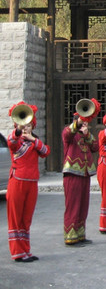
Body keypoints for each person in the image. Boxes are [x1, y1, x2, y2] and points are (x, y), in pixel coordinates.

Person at [6, 103, 49, 262]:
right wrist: (18, 131)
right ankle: (17, 252)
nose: (25, 127)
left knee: (26, 218)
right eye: (21, 125)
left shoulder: (34, 142)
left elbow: (45, 152)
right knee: (16, 217)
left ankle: (26, 250)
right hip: (17, 181)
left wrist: (32, 139)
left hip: (32, 182)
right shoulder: (16, 141)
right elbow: (11, 142)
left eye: (28, 125)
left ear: (33, 126)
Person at [62, 101, 100, 246]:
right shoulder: (69, 133)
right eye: (82, 122)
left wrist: (88, 134)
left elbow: (95, 147)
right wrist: (78, 124)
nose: (85, 125)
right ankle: (70, 236)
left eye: (86, 123)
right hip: (73, 173)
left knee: (83, 205)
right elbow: (67, 134)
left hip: (85, 173)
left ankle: (80, 234)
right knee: (73, 205)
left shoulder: (86, 135)